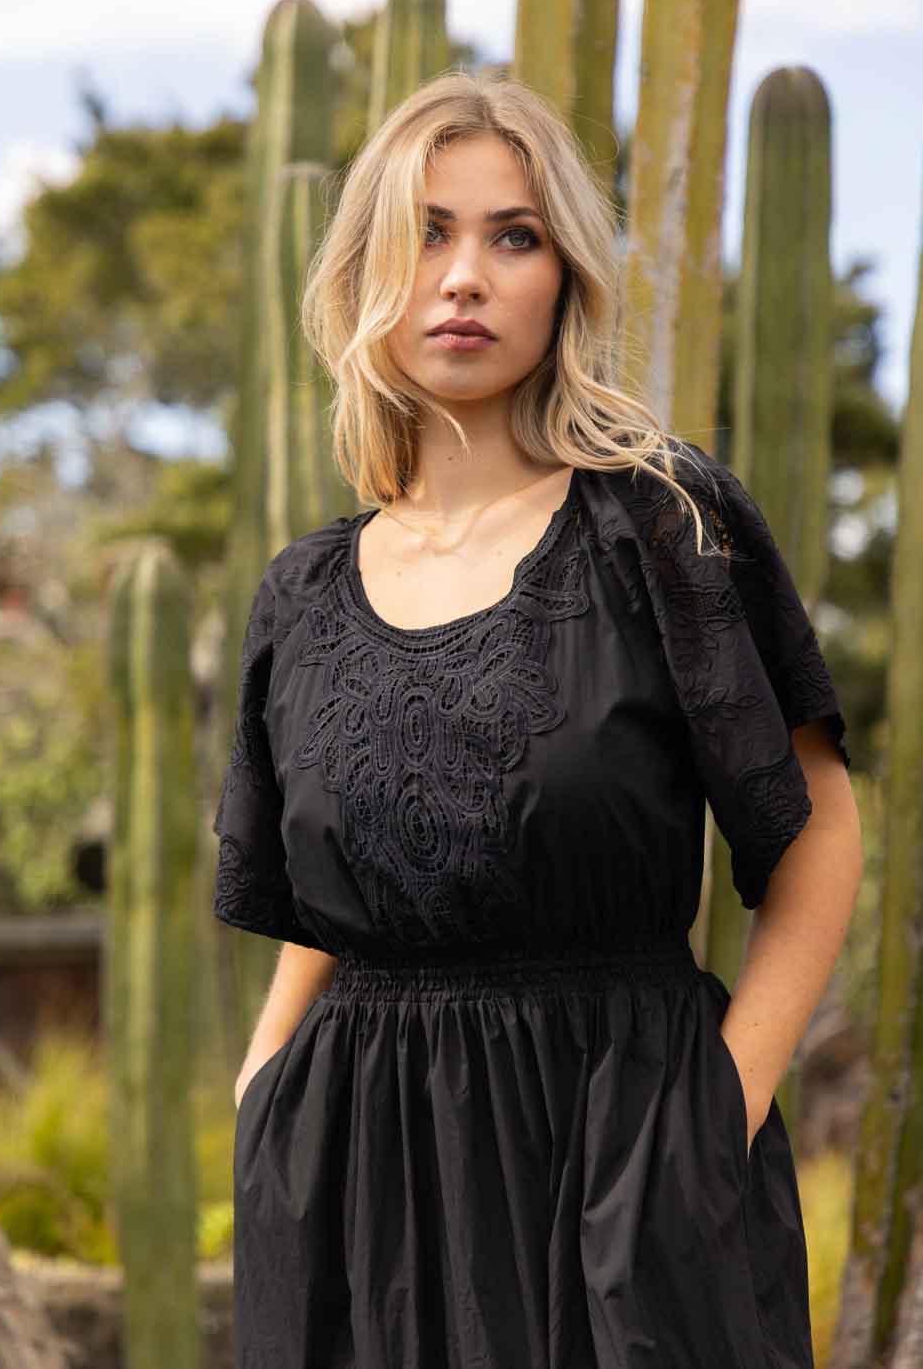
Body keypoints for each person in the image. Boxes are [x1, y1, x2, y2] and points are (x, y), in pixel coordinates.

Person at [212, 70, 862, 1369]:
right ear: (363, 272)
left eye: (512, 236)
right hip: (352, 1181)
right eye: (426, 233)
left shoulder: (662, 524)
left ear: (564, 277)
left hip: (623, 1145)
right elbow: (320, 904)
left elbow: (816, 825)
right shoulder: (303, 593)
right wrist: (264, 1087)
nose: (464, 276)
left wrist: (715, 1116)